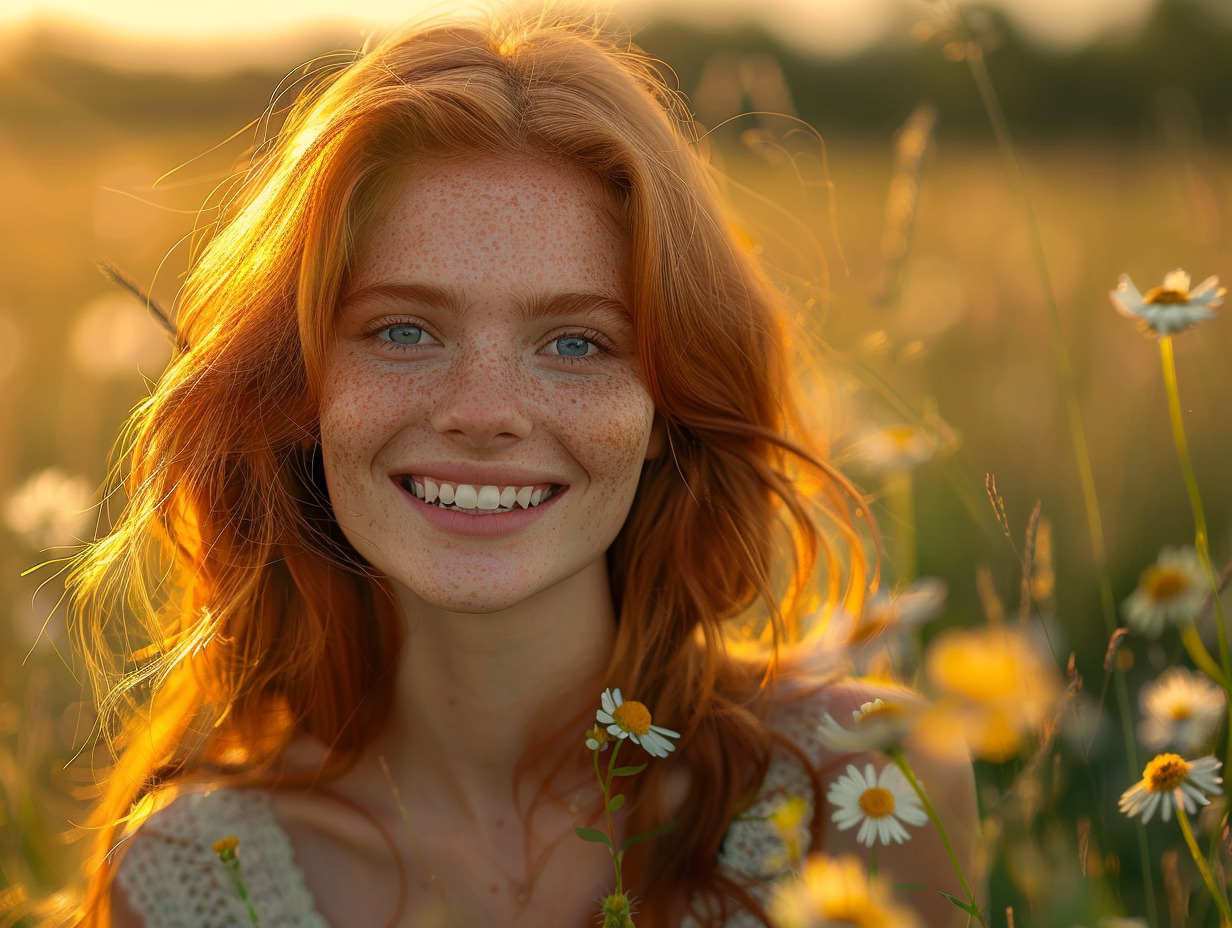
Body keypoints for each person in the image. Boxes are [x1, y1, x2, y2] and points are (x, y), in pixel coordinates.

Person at [61, 9, 977, 927]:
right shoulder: (197, 879)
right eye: (404, 331)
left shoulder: (868, 783)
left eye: (576, 343)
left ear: (668, 407)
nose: (483, 412)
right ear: (302, 389)